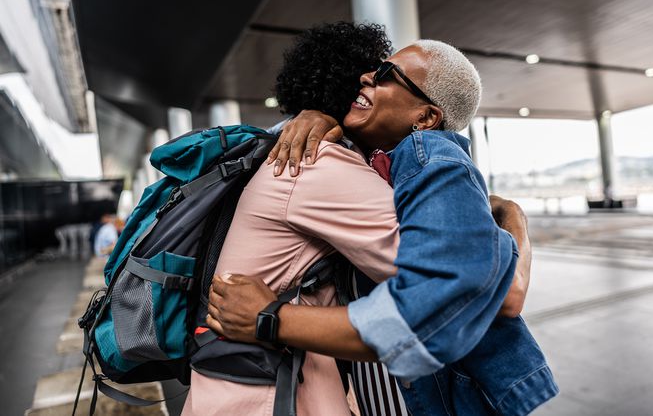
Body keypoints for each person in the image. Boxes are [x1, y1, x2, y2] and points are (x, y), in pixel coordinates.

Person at [191, 24, 556, 415]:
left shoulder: (374, 162)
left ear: (426, 116)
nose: (365, 77)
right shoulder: (320, 162)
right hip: (267, 393)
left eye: (384, 75)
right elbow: (495, 291)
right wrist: (513, 216)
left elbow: (461, 286)